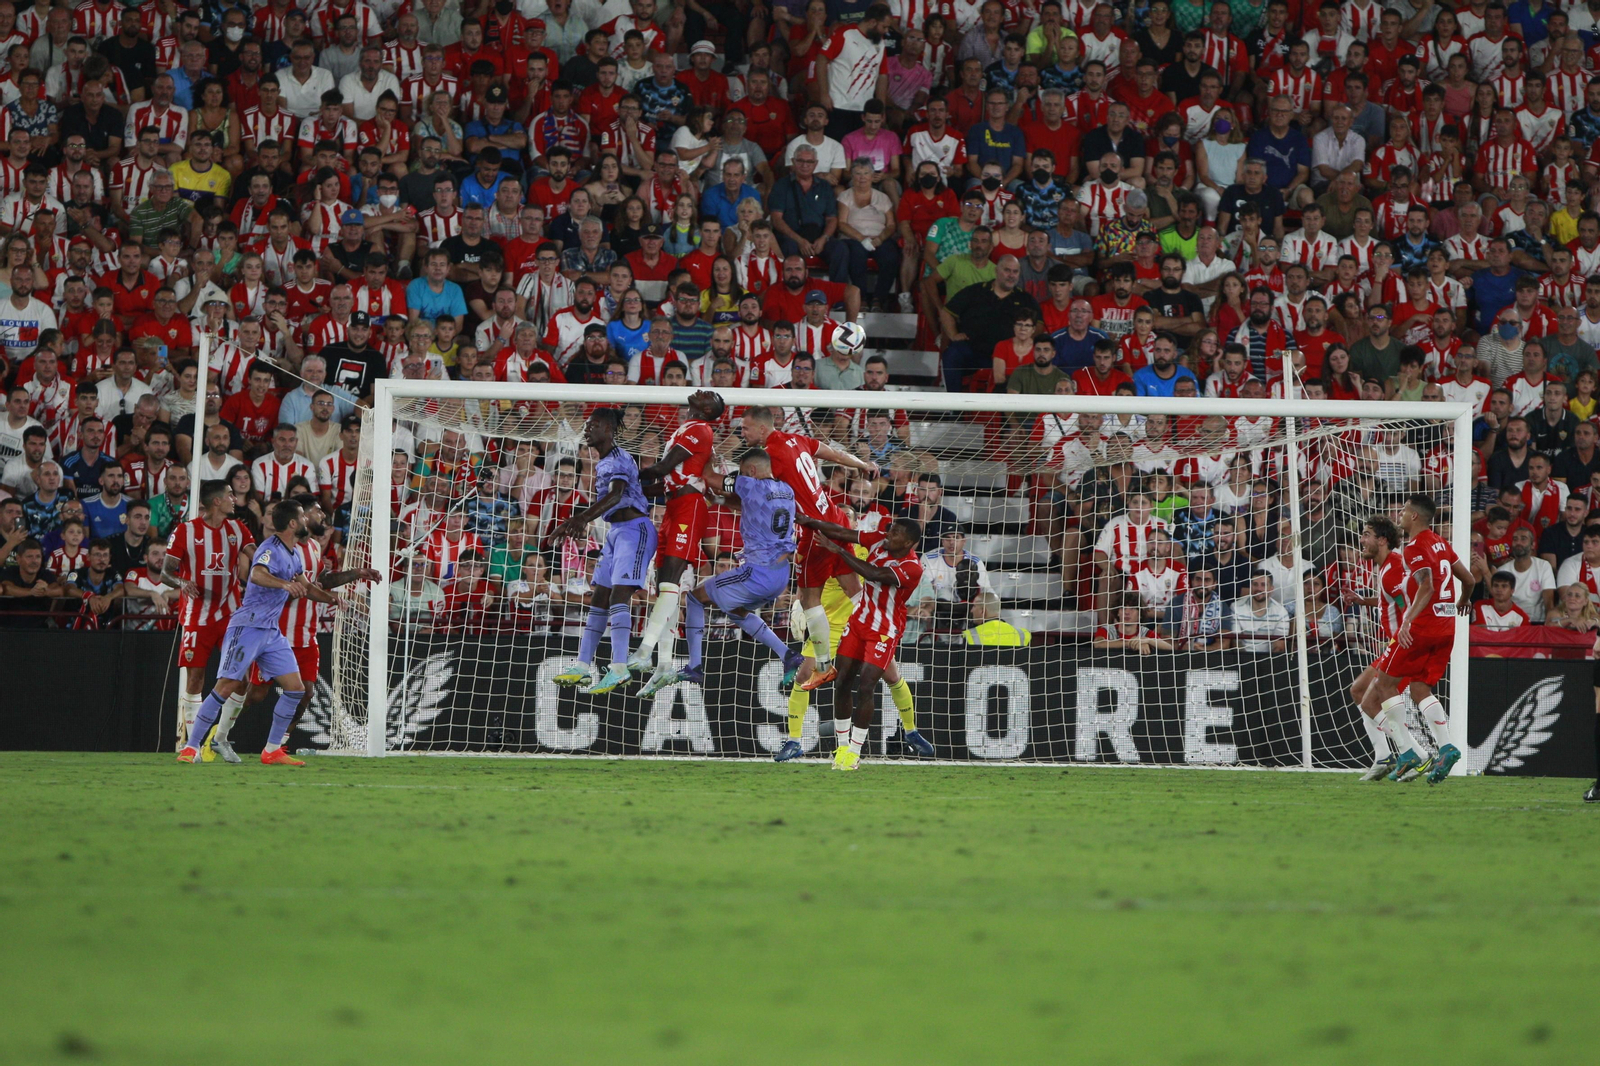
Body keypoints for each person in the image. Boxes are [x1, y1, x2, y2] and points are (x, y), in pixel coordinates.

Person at [739, 405, 879, 688]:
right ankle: (879, 634)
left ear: (763, 429)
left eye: (745, 428)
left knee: (808, 599)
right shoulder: (798, 440)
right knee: (853, 589)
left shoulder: (770, 457)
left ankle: (825, 666)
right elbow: (834, 453)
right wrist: (863, 465)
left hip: (816, 530)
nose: (742, 432)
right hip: (836, 517)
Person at [650, 449, 805, 695]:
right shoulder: (785, 489)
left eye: (743, 472)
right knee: (737, 610)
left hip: (758, 573)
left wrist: (706, 452)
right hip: (781, 574)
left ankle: (694, 665)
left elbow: (709, 475)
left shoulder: (750, 483)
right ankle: (788, 654)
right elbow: (747, 505)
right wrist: (718, 500)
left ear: (751, 471)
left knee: (694, 598)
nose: (741, 477)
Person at [176, 499, 316, 766]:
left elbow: (307, 587)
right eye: (303, 517)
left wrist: (335, 599)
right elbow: (257, 575)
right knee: (226, 686)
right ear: (293, 523)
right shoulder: (269, 548)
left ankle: (272, 750)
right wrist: (286, 585)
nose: (308, 521)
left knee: (296, 689)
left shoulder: (295, 553)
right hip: (248, 626)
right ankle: (190, 747)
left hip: (271, 631)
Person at [796, 509, 923, 772]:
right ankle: (842, 747)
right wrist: (809, 521)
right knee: (841, 681)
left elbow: (875, 574)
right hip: (857, 624)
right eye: (890, 529)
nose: (889, 535)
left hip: (884, 631)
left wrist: (839, 551)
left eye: (896, 533)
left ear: (909, 543)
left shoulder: (912, 567)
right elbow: (844, 532)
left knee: (866, 685)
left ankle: (855, 751)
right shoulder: (878, 539)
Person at [1365, 494, 1475, 784]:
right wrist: (1464, 600)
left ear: (1414, 516)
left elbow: (1426, 585)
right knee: (1418, 689)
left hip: (1423, 628)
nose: (1399, 515)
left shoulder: (1415, 547)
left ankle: (1406, 752)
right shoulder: (1441, 543)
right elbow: (1470, 580)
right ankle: (1447, 746)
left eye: (1403, 511)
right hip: (1447, 626)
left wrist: (1408, 622)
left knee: (1383, 684)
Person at [551, 408, 658, 693]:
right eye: (586, 424)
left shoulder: (618, 459)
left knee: (619, 594)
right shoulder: (605, 462)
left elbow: (617, 493)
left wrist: (580, 518)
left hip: (635, 531)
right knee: (599, 596)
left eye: (593, 425)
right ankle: (583, 666)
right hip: (617, 533)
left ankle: (619, 668)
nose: (587, 429)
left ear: (608, 430)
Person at [627, 390, 723, 684]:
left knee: (670, 581)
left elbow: (662, 468)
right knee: (664, 585)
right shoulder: (685, 427)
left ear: (707, 410)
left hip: (689, 508)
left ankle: (644, 651)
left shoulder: (701, 429)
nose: (703, 390)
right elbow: (667, 481)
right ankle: (665, 665)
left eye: (710, 395)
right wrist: (632, 490)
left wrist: (625, 473)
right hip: (673, 506)